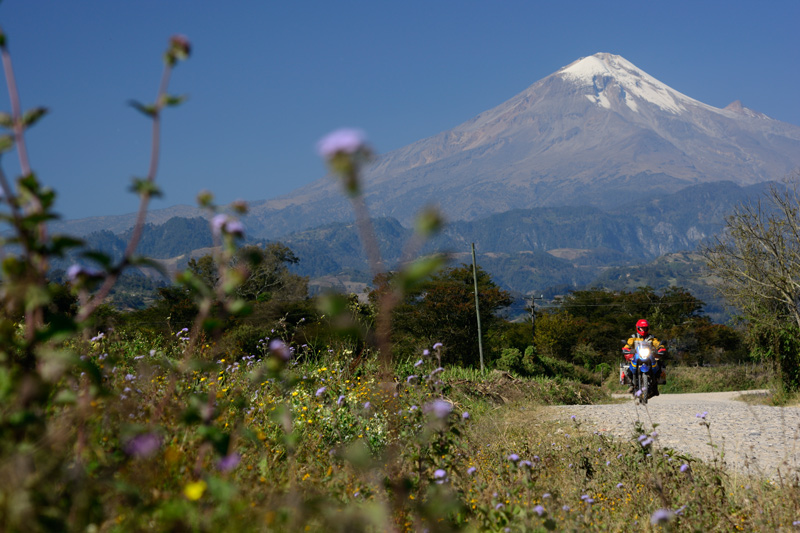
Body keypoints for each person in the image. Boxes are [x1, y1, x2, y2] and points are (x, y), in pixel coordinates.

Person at [622, 319, 667, 396]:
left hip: (649, 356)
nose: (643, 329)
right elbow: (628, 345)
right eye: (641, 328)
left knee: (658, 368)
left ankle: (655, 386)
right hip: (637, 356)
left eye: (645, 328)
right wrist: (626, 349)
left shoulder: (651, 338)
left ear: (648, 328)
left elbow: (658, 344)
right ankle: (632, 385)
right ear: (638, 328)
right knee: (629, 370)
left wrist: (661, 348)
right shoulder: (633, 337)